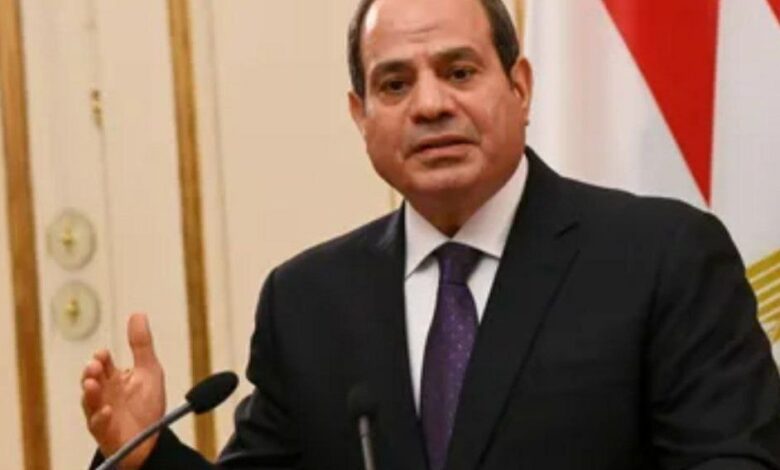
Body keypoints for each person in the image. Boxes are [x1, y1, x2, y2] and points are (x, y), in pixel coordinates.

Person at [81, 0, 780, 468]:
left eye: (459, 71)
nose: (430, 105)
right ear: (360, 116)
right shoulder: (307, 301)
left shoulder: (662, 258)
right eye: (394, 85)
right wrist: (147, 457)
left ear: (520, 87)